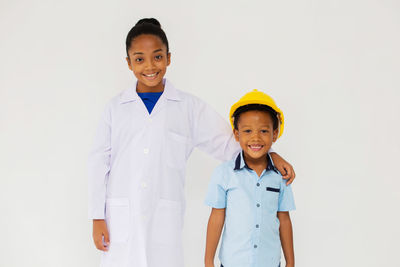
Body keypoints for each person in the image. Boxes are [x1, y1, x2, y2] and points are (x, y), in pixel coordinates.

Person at [88, 18, 295, 267]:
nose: (150, 66)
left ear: (169, 58)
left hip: (164, 215)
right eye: (139, 59)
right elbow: (99, 163)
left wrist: (271, 155)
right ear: (128, 62)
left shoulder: (188, 107)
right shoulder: (115, 109)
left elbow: (231, 143)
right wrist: (97, 216)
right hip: (119, 216)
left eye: (158, 56)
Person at [204, 90, 296, 267]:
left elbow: (284, 219)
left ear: (274, 134)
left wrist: (290, 263)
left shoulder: (280, 176)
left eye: (263, 131)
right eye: (247, 131)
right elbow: (216, 217)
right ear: (237, 134)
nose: (255, 137)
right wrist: (208, 261)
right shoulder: (224, 174)